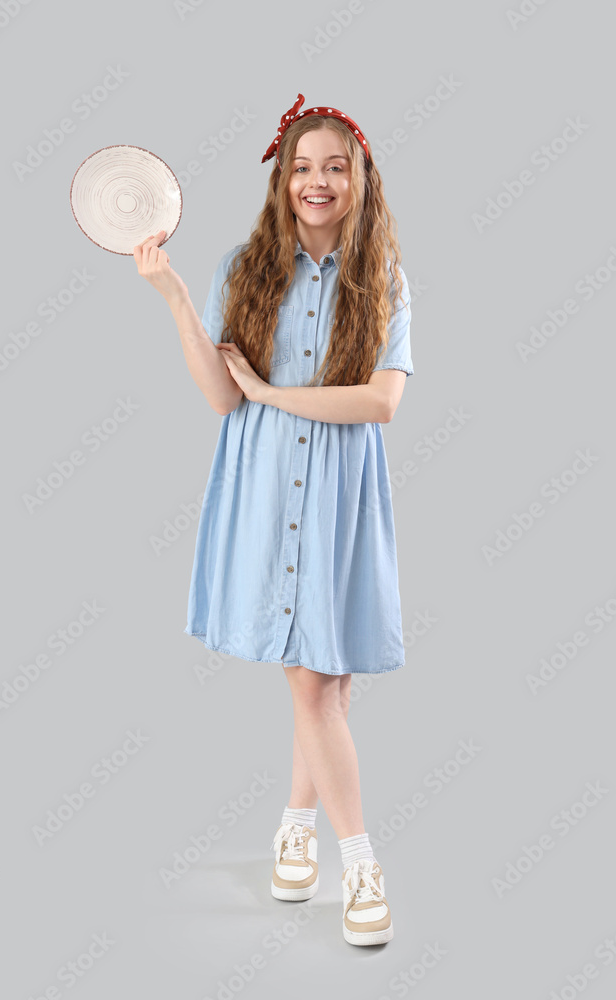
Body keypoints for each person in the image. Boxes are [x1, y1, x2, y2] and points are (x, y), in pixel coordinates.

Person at [133, 93, 414, 947]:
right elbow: (224, 397)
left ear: (359, 175)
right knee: (313, 679)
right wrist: (175, 296)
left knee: (325, 677)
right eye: (300, 167)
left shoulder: (386, 279)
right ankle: (361, 863)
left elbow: (381, 401)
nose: (315, 181)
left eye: (333, 165)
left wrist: (276, 395)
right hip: (262, 488)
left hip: (338, 491)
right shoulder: (243, 269)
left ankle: (298, 825)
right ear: (280, 180)